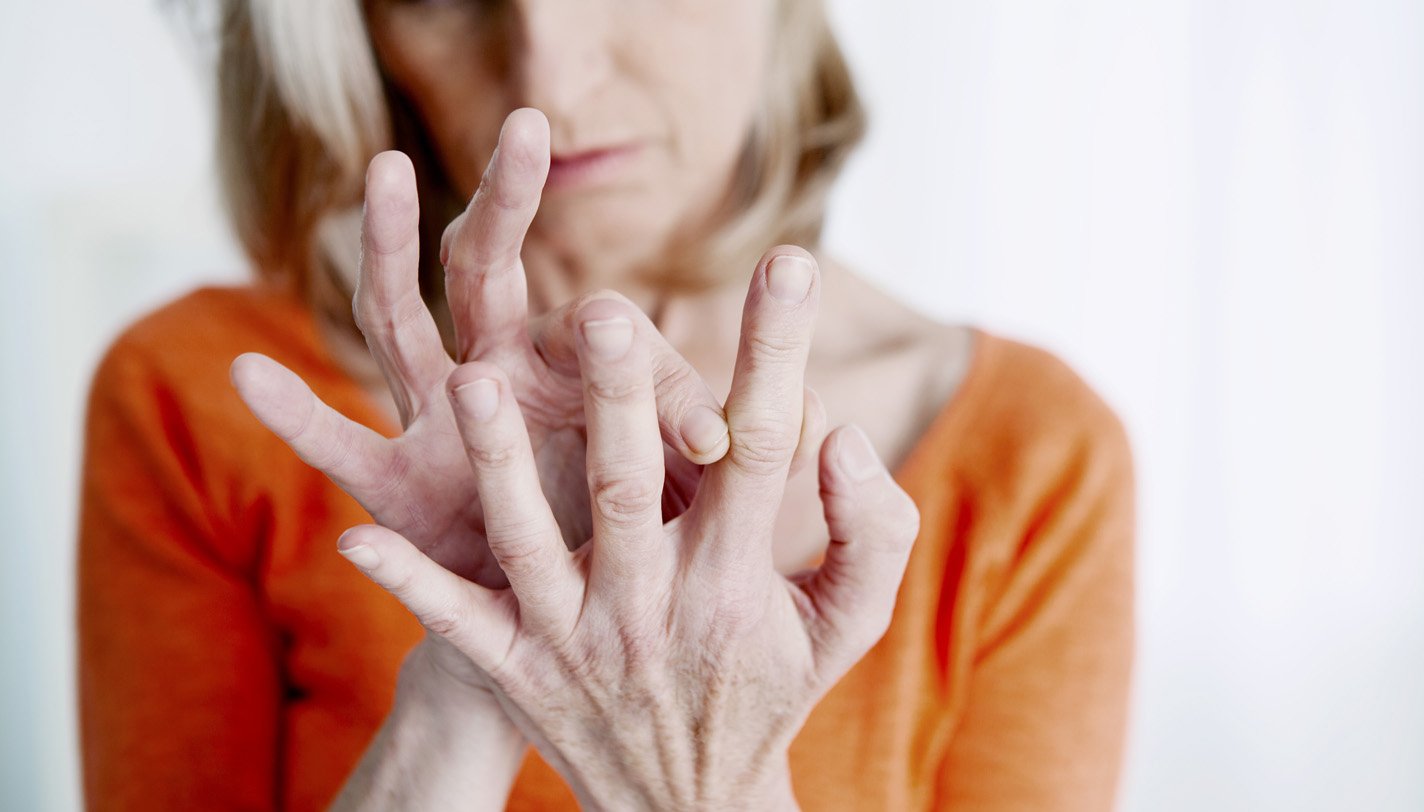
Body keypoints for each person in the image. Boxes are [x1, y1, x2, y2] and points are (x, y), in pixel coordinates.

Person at [77, 0, 1135, 809]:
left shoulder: (1028, 453)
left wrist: (696, 770)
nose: (548, 71)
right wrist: (474, 676)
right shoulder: (199, 396)